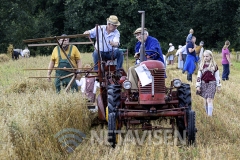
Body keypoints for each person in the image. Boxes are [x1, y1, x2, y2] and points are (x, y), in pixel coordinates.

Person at [196, 50, 221, 116]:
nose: (205, 57)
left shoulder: (214, 66)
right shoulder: (201, 65)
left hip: (212, 83)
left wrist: (219, 85)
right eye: (204, 56)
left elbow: (217, 76)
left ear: (210, 57)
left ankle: (209, 116)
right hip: (203, 84)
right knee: (205, 100)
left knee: (209, 99)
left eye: (207, 56)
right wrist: (198, 86)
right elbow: (199, 77)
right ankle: (207, 114)